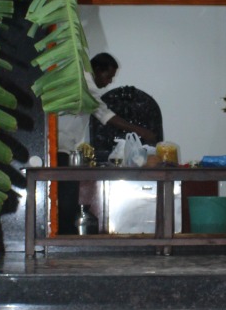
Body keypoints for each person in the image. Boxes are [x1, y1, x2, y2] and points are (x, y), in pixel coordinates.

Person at [55, 53, 157, 234]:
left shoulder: (83, 84)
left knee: (66, 197)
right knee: (65, 199)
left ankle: (62, 236)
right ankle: (63, 237)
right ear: (96, 70)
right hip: (59, 149)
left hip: (65, 148)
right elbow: (105, 115)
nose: (109, 82)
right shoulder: (84, 83)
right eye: (108, 76)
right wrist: (141, 131)